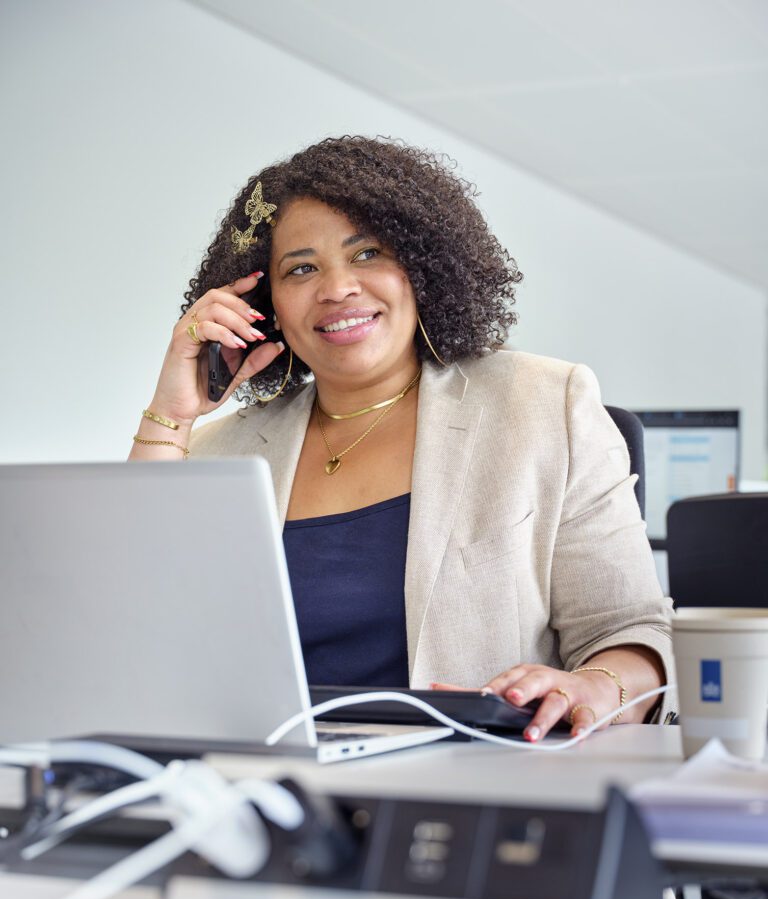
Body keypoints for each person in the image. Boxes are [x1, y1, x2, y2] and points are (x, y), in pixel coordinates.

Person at [130, 135, 673, 742]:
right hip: (259, 783)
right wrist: (172, 413)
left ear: (421, 266)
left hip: (473, 781)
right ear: (266, 306)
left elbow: (632, 630)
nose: (336, 288)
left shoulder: (544, 405)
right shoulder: (219, 451)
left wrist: (600, 685)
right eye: (301, 268)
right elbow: (135, 628)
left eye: (367, 254)